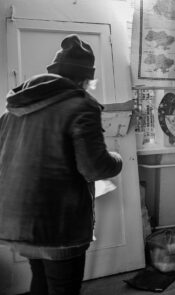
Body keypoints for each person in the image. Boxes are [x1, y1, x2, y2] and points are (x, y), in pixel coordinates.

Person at [0, 34, 123, 295]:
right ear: (83, 78)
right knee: (63, 288)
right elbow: (95, 168)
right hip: (58, 223)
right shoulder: (81, 106)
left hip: (18, 220)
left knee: (41, 281)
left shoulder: (15, 106)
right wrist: (117, 159)